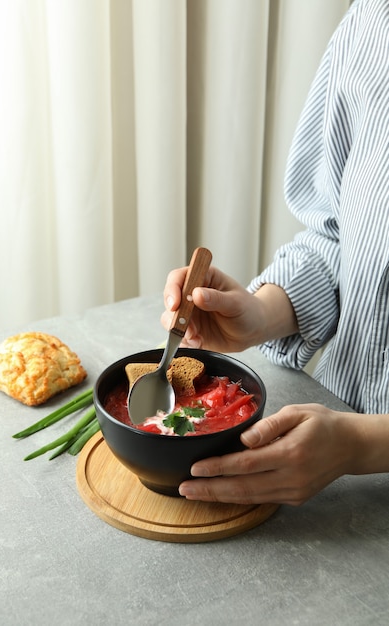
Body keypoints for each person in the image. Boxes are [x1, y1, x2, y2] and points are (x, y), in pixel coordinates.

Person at [161, 0, 389, 506]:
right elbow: (336, 234)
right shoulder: (373, 21)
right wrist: (261, 313)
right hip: (330, 465)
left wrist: (362, 445)